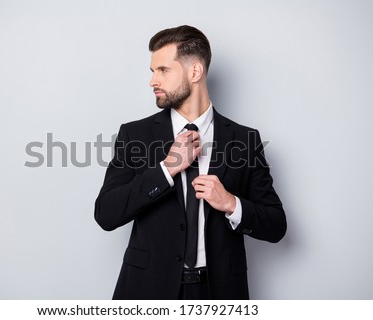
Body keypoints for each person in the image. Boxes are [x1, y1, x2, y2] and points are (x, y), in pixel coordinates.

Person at [94, 25, 286, 300]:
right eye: (152, 71)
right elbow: (106, 214)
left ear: (195, 72)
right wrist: (166, 170)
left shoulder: (245, 140)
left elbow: (276, 225)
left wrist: (231, 203)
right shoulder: (134, 135)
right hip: (147, 291)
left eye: (163, 70)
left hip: (219, 294)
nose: (152, 81)